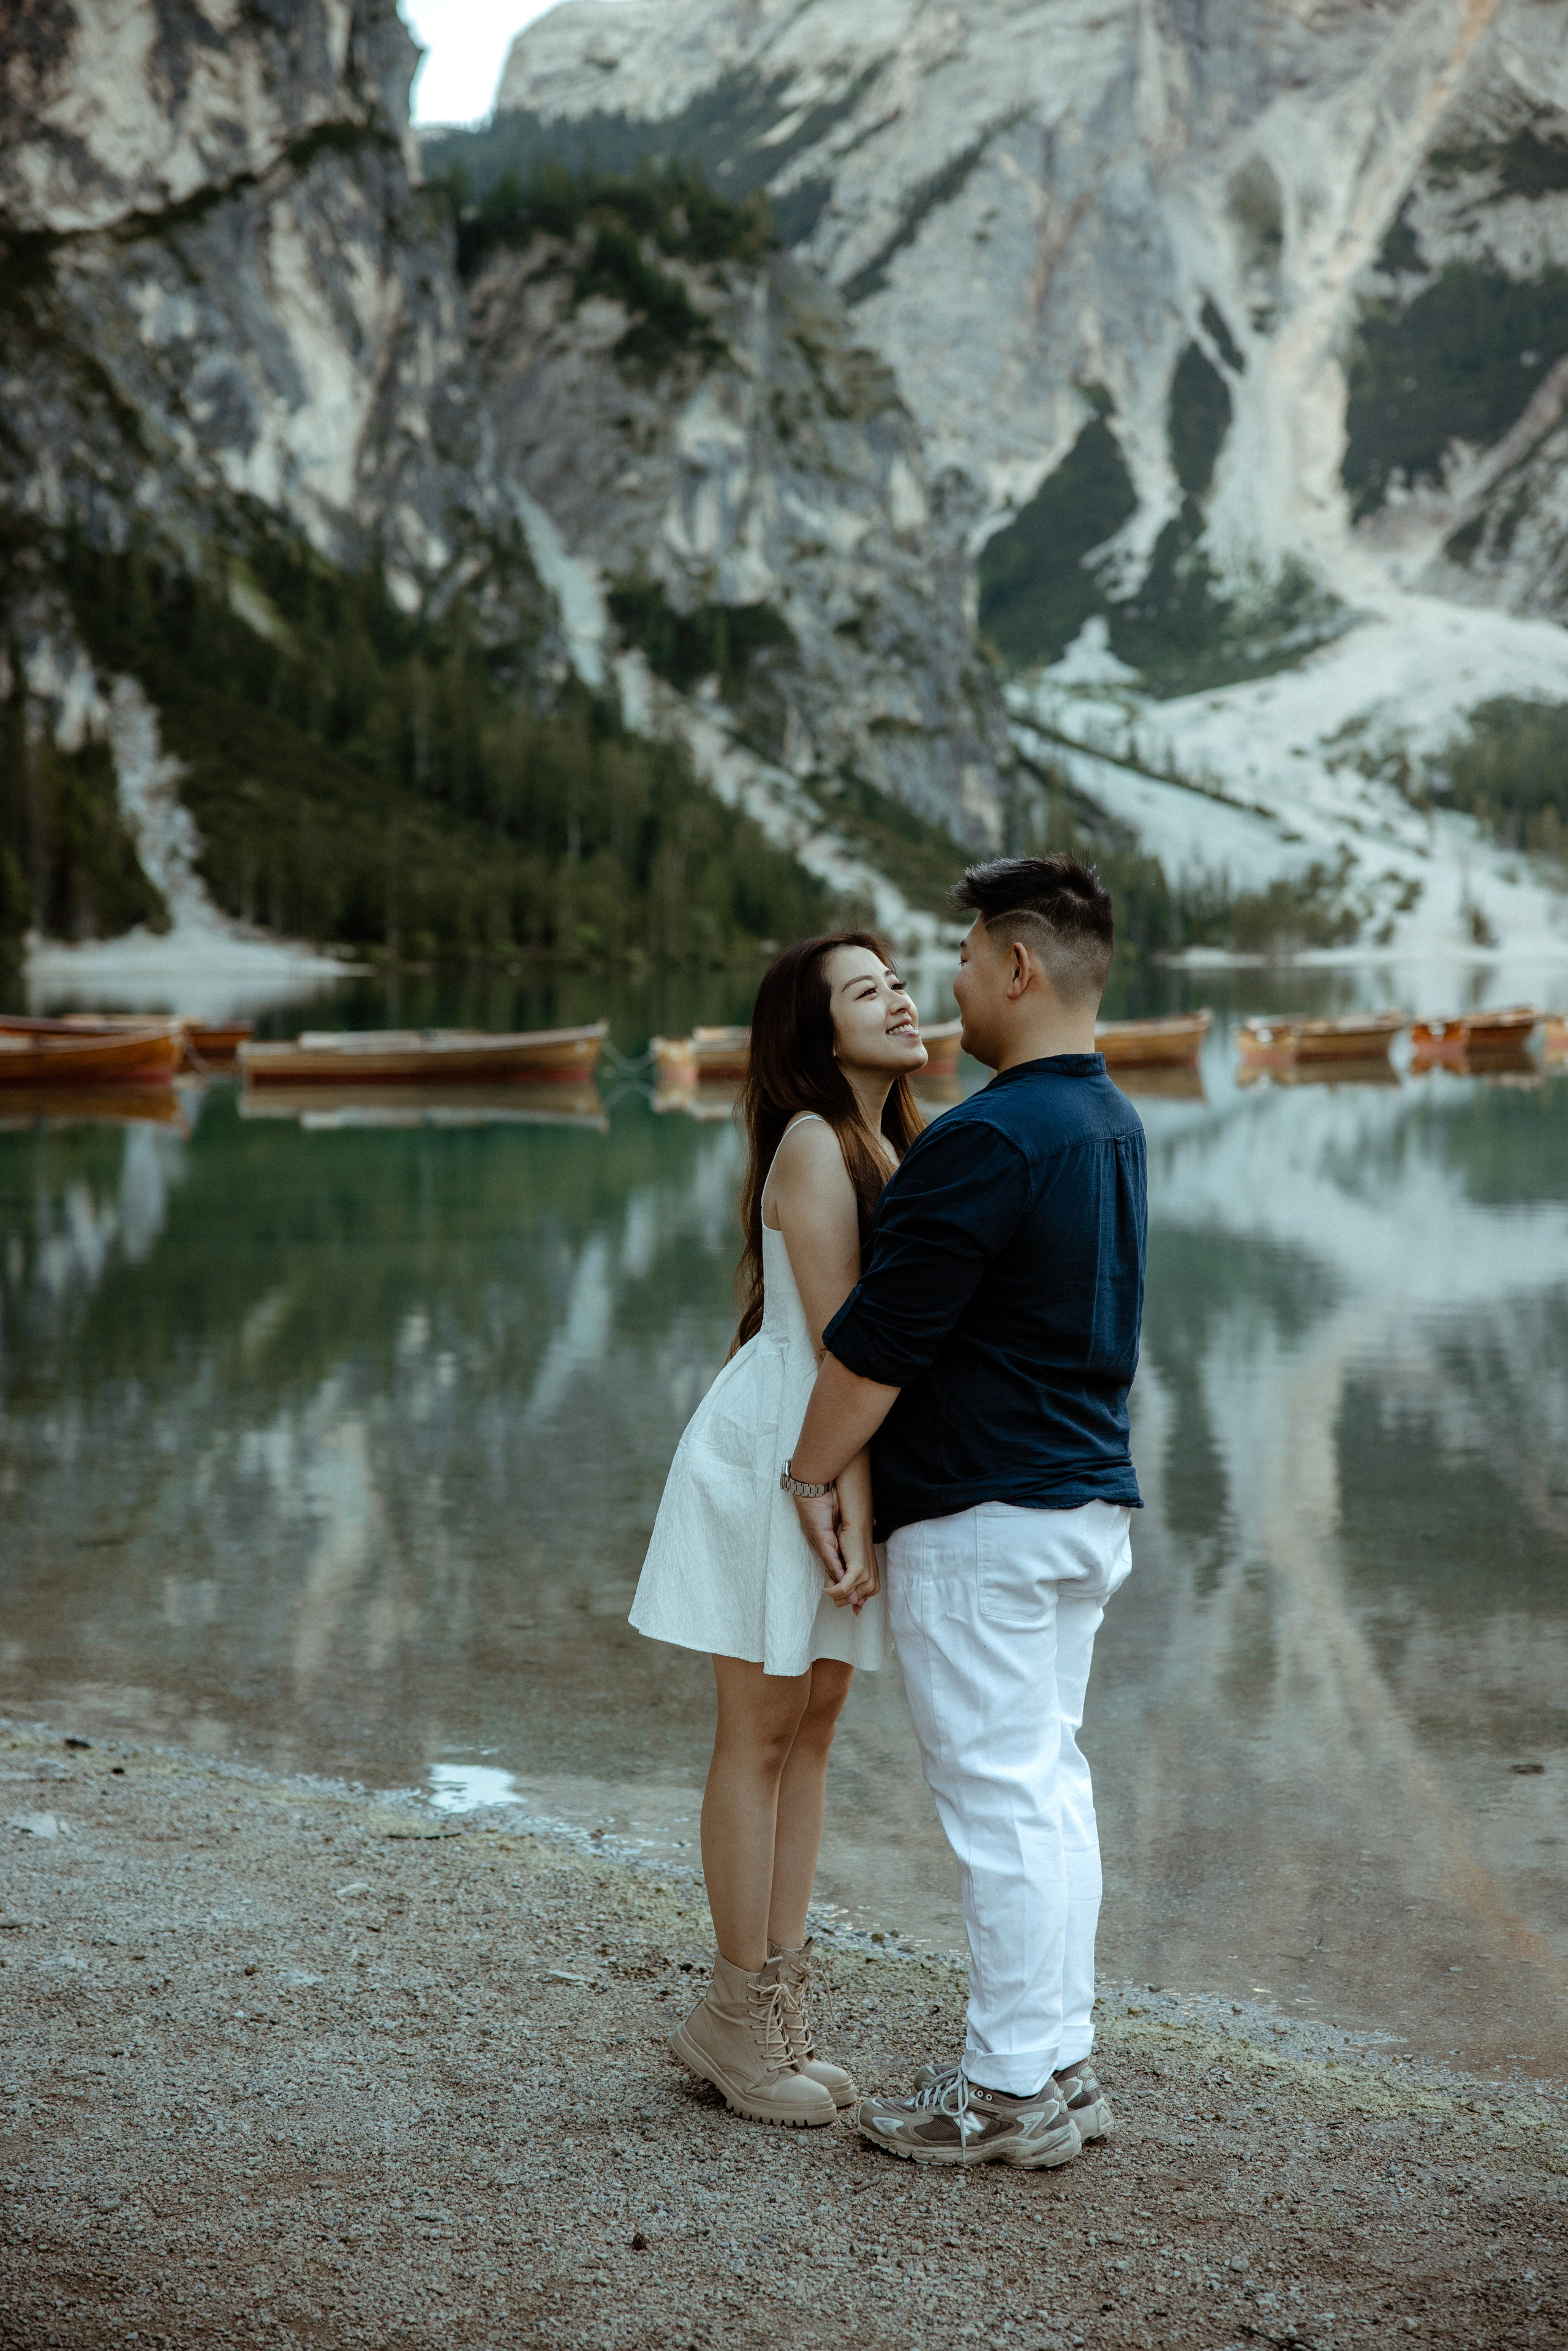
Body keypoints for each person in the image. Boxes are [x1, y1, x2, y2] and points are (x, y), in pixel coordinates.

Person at [787, 854, 1147, 2168]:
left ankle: (1001, 2090)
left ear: (1017, 966)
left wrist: (809, 1475)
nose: (947, 983)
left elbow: (875, 1345)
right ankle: (1058, 2065)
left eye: (961, 956)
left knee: (1002, 1805)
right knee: (1048, 1790)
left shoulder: (986, 1137)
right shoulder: (1109, 1119)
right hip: (1080, 1503)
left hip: (985, 1514)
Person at [629, 932, 928, 2128]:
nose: (900, 998)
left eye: (896, 980)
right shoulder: (814, 1140)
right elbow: (843, 1337)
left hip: (827, 1448)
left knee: (812, 1727)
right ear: (816, 1032)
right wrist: (843, 1489)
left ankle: (776, 2004)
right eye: (866, 990)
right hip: (784, 1453)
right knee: (758, 1732)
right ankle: (733, 2013)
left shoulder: (887, 1139)